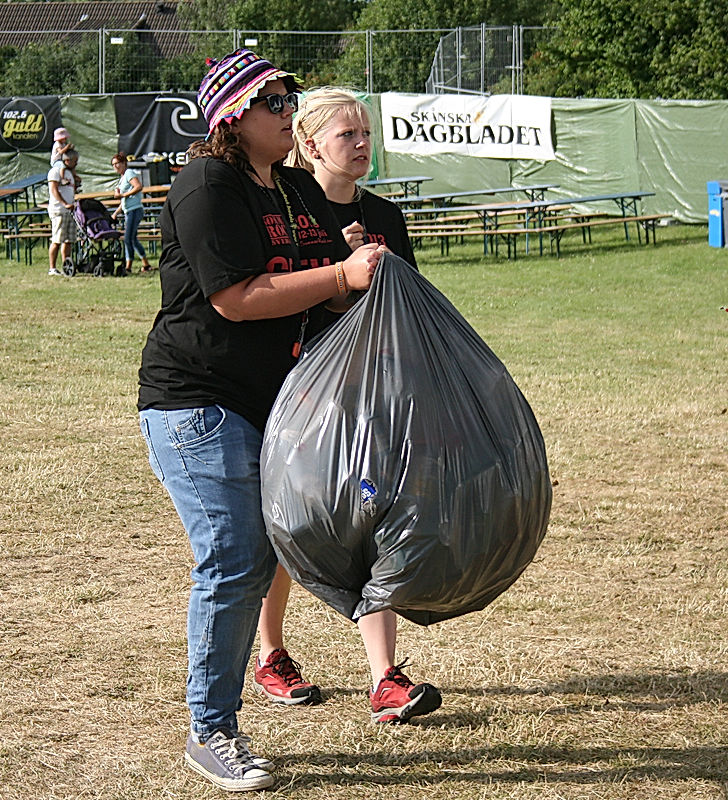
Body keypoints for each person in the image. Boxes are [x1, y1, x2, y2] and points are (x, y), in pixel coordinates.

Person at [137, 49, 384, 793]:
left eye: (290, 95)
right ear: (232, 118)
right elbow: (235, 298)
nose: (288, 108)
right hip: (194, 400)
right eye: (274, 99)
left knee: (270, 547)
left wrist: (350, 275)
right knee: (238, 555)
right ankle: (210, 729)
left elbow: (319, 295)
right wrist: (338, 275)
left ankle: (226, 710)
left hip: (270, 402)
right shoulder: (205, 183)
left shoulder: (296, 189)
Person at [251, 87, 437, 723]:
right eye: (346, 135)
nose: (361, 145)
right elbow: (276, 294)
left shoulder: (385, 214)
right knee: (292, 521)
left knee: (372, 516)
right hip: (300, 391)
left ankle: (384, 675)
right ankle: (271, 652)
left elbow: (404, 308)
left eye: (365, 133)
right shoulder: (288, 210)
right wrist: (339, 264)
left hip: (370, 394)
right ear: (309, 144)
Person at [111, 151, 152, 273]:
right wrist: (116, 213)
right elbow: (124, 200)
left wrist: (123, 194)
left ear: (124, 163)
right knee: (133, 239)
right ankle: (146, 264)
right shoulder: (122, 178)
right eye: (113, 164)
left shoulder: (129, 173)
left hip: (134, 210)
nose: (115, 166)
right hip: (128, 210)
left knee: (128, 238)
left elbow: (138, 186)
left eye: (118, 163)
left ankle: (128, 266)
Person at [47, 147, 79, 276]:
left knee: (68, 240)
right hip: (59, 210)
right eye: (74, 160)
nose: (76, 163)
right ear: (67, 160)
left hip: (70, 210)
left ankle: (66, 265)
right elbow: (54, 190)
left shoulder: (69, 173)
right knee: (57, 239)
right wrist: (64, 203)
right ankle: (52, 268)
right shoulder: (55, 171)